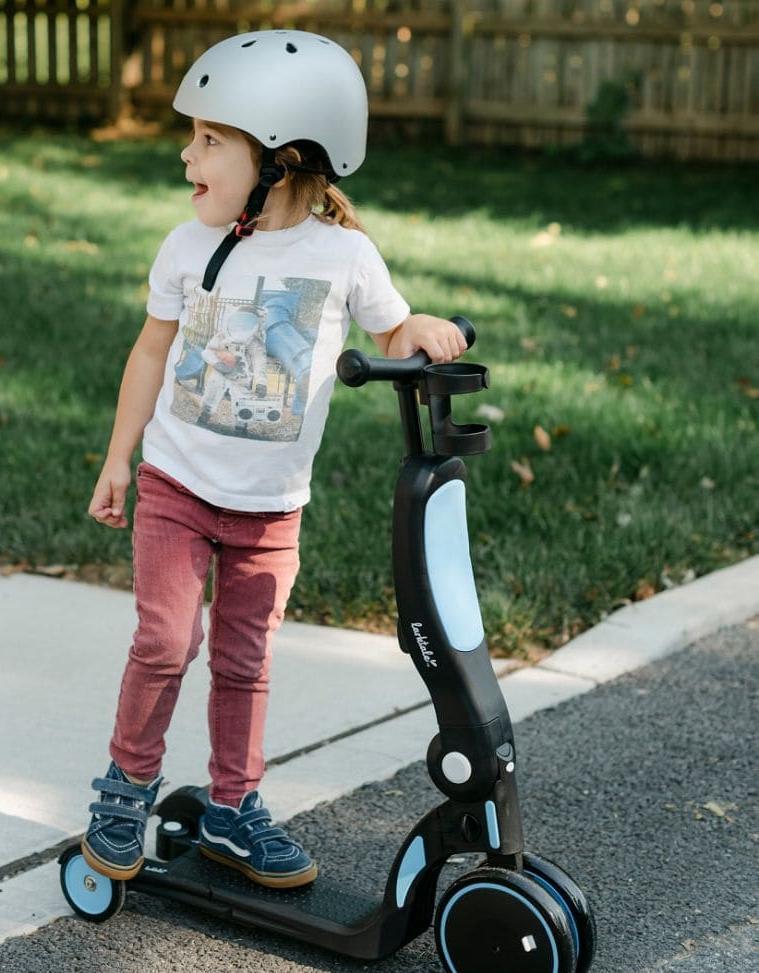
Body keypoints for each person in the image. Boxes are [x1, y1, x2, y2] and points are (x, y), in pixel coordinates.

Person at [81, 29, 468, 890]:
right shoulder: (186, 247)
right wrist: (119, 457)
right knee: (165, 641)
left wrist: (422, 333)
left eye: (210, 140)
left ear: (281, 158)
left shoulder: (342, 256)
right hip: (175, 485)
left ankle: (232, 806)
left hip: (269, 510)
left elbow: (390, 328)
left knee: (246, 660)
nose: (188, 155)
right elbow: (150, 354)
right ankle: (125, 786)